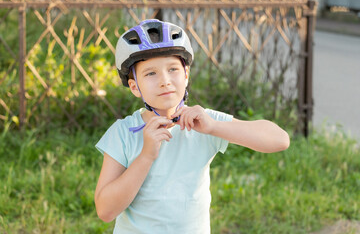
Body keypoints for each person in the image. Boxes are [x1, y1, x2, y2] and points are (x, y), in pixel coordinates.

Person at [94, 19, 290, 233]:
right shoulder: (123, 133)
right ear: (134, 87)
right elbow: (105, 211)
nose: (165, 80)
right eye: (151, 73)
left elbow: (279, 140)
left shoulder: (203, 122)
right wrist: (146, 156)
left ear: (186, 75)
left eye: (173, 69)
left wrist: (214, 127)